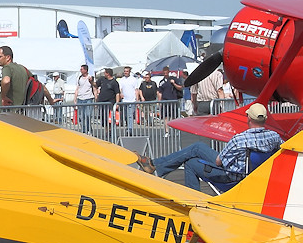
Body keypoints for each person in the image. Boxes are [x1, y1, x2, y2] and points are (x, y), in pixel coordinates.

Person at [139, 103, 284, 191]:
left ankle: (157, 167)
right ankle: (156, 166)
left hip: (231, 177)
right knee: (197, 149)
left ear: (249, 118)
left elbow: (219, 162)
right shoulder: (274, 137)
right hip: (253, 177)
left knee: (193, 154)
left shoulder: (240, 139)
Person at [94, 68, 120, 132]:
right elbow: (95, 85)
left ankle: (110, 130)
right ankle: (106, 129)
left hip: (110, 102)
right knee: (103, 117)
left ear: (108, 74)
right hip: (102, 102)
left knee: (109, 117)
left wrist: (117, 103)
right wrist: (91, 81)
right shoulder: (102, 79)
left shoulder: (114, 82)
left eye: (105, 72)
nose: (104, 74)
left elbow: (117, 93)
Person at [74, 63, 95, 133]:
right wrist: (75, 99)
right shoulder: (79, 78)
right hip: (80, 98)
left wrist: (96, 99)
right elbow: (77, 88)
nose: (80, 70)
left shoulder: (90, 77)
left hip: (88, 98)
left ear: (86, 70)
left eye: (82, 69)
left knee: (88, 115)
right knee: (81, 116)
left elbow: (94, 88)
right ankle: (83, 130)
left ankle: (89, 129)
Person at [118, 66, 139, 131]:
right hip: (124, 100)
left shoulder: (133, 79)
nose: (125, 72)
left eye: (127, 71)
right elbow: (120, 88)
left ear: (129, 72)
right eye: (125, 71)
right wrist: (120, 94)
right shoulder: (122, 80)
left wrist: (137, 100)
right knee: (126, 116)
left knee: (130, 115)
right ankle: (128, 127)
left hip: (132, 100)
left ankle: (130, 129)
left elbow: (136, 90)